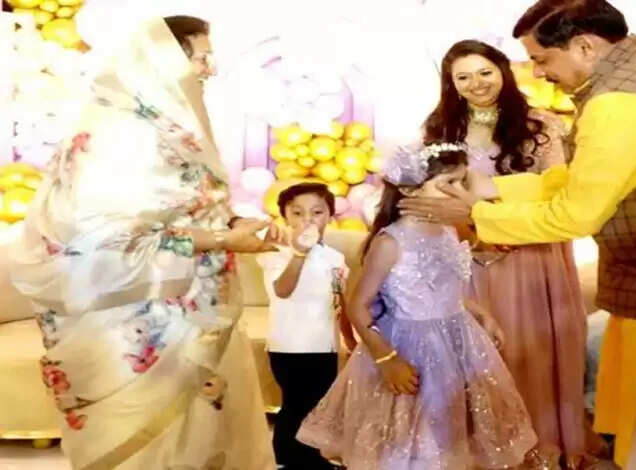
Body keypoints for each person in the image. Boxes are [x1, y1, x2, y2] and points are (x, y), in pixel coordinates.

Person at [398, 1, 636, 469]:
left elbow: (577, 214)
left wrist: (475, 214)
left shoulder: (622, 104)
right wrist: (493, 189)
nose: (538, 73)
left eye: (541, 59)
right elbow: (585, 178)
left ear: (584, 46)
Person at [9, 17, 277, 470]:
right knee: (146, 442)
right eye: (201, 58)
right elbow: (103, 235)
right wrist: (221, 238)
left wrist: (231, 222)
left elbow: (188, 203)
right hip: (129, 312)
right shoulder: (121, 132)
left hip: (187, 305)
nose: (209, 70)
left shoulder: (170, 125)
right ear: (164, 62)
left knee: (199, 428)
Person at [296, 143, 537, 469]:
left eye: (462, 182)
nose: (459, 192)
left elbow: (442, 290)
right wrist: (386, 358)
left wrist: (483, 315)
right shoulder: (392, 242)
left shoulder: (450, 231)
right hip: (410, 348)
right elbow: (358, 306)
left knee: (448, 430)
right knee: (411, 436)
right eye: (447, 183)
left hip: (457, 340)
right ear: (409, 190)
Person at [423, 39, 590, 470]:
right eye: (463, 77)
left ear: (503, 71)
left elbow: (559, 188)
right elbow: (429, 190)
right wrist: (471, 229)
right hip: (468, 252)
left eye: (485, 72)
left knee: (531, 348)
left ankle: (541, 446)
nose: (476, 84)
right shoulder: (439, 129)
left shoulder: (540, 123)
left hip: (532, 251)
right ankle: (487, 448)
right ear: (451, 83)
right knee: (481, 353)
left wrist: (500, 214)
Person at [257, 182, 357, 470]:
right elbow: (282, 290)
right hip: (289, 345)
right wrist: (299, 253)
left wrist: (349, 339)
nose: (308, 220)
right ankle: (286, 461)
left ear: (330, 216)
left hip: (325, 344)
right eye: (298, 213)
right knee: (296, 404)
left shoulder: (335, 258)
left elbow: (340, 301)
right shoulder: (275, 251)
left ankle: (310, 460)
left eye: (317, 212)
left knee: (317, 405)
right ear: (285, 217)